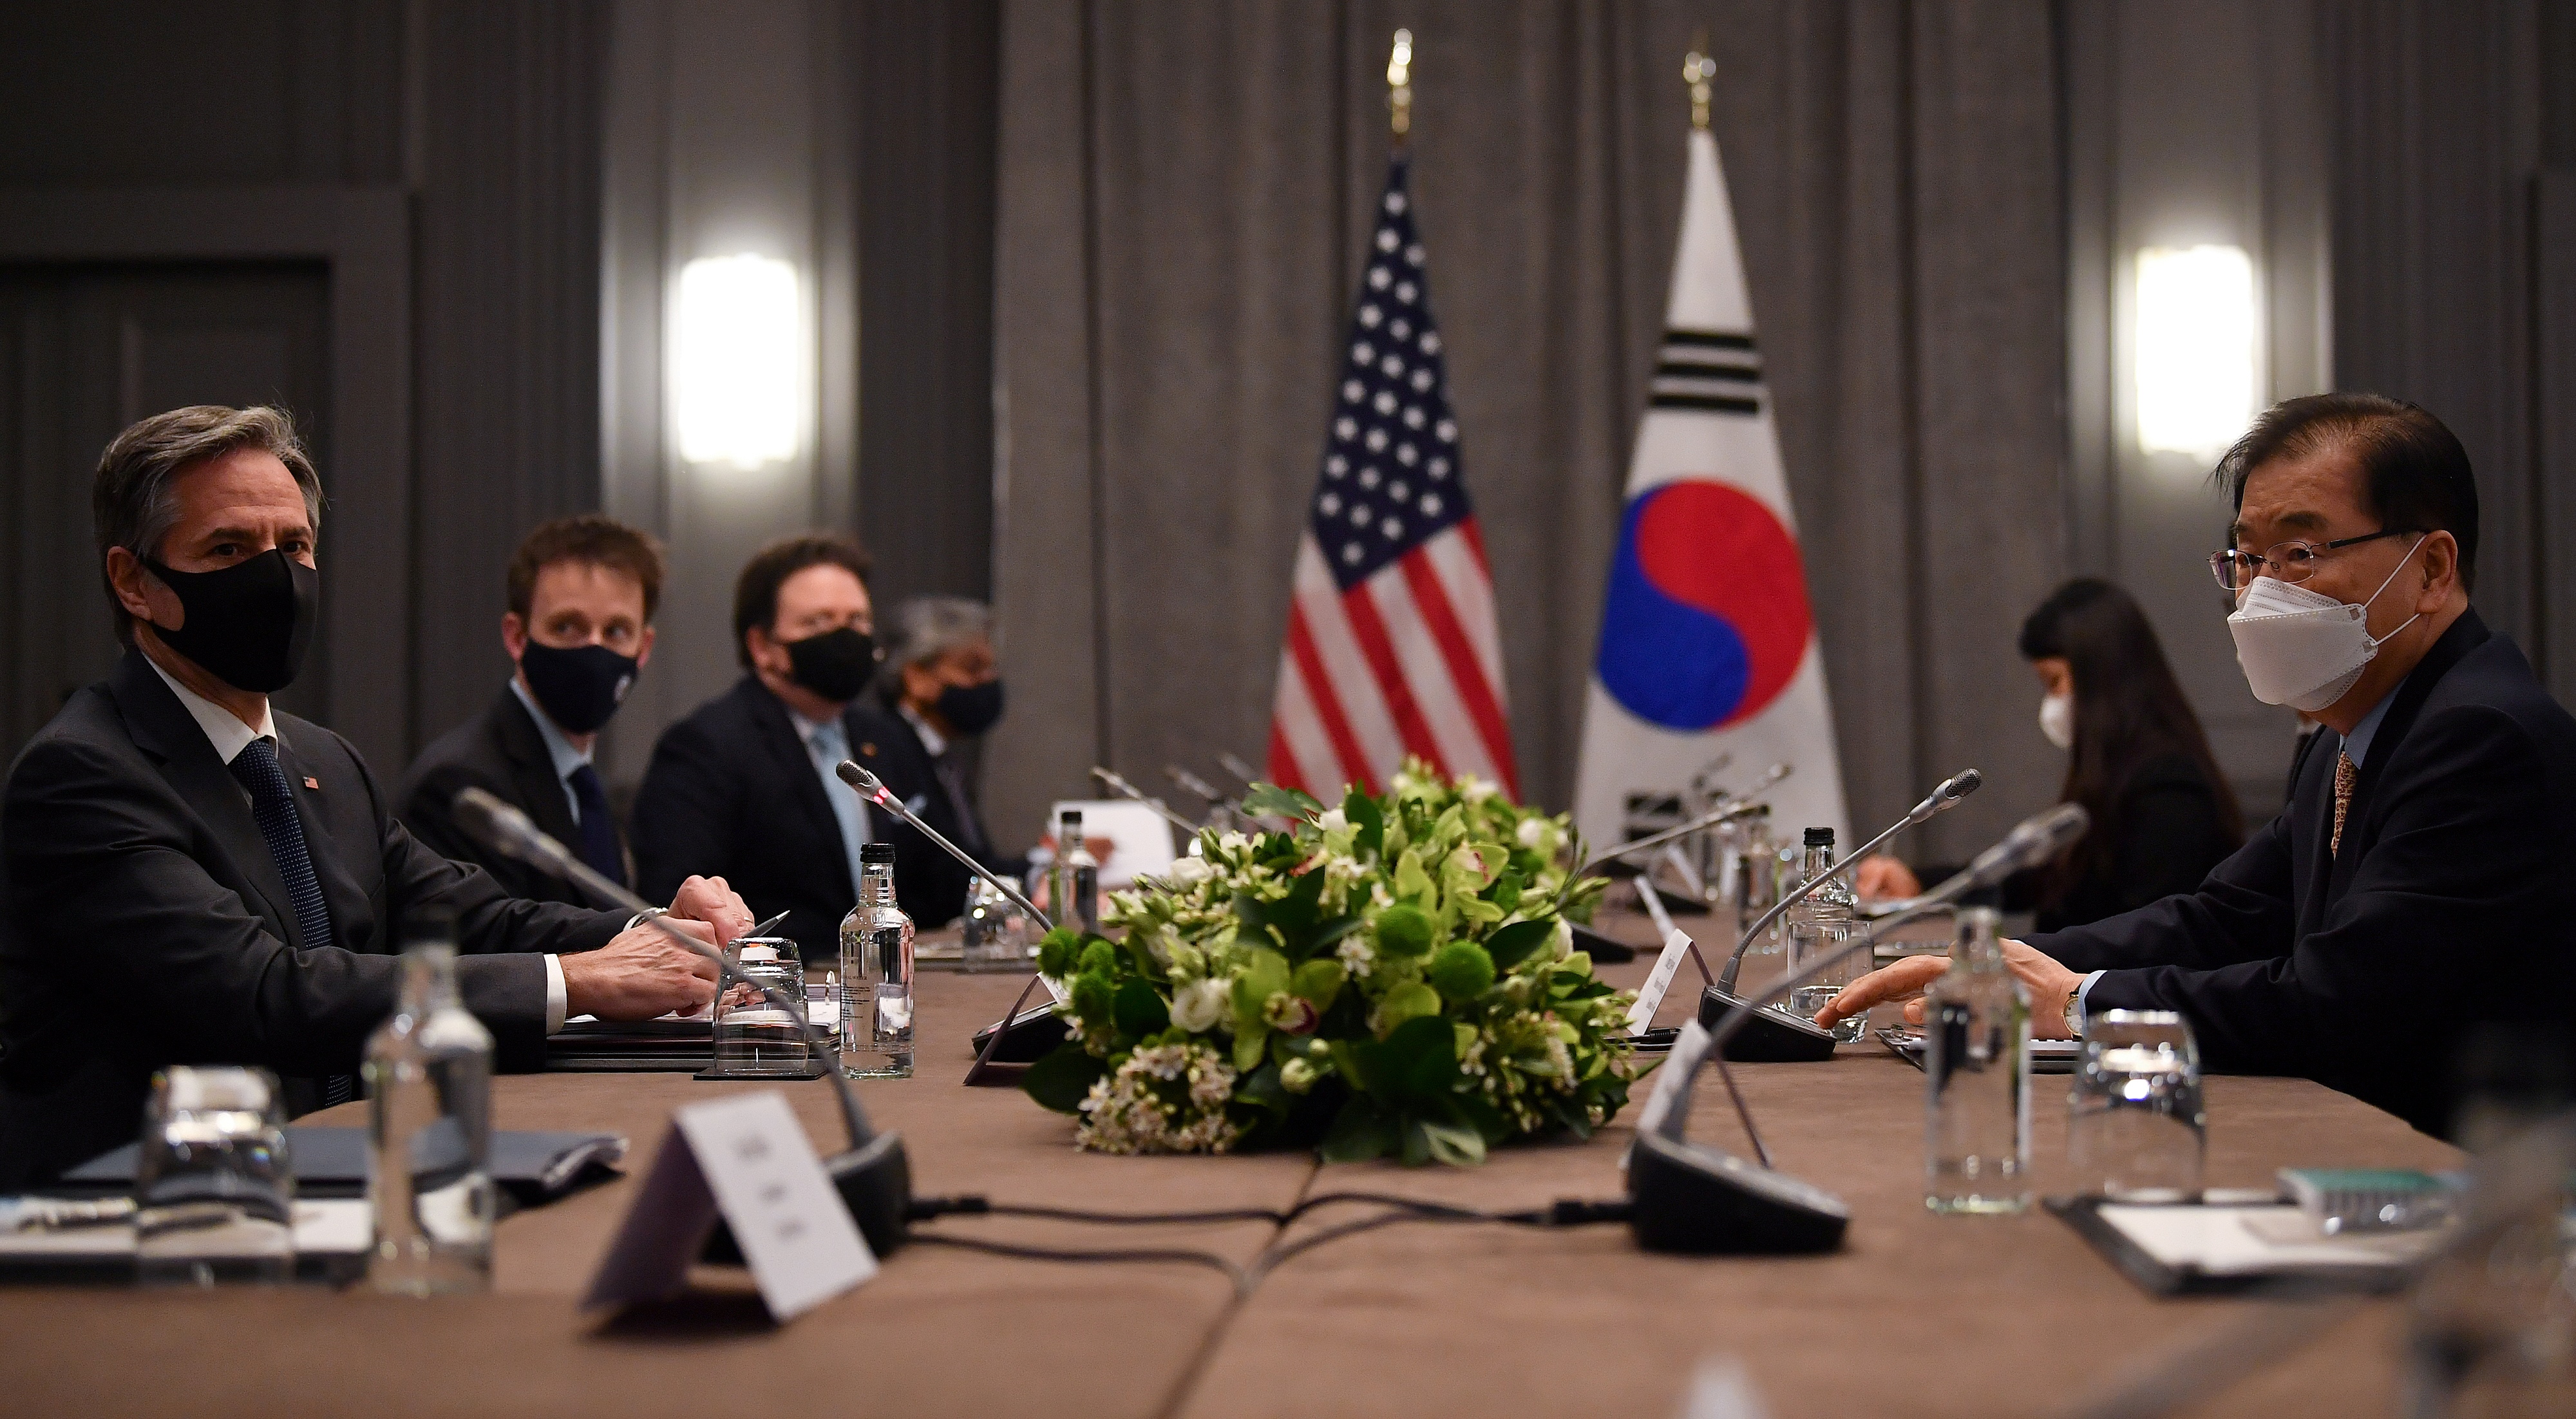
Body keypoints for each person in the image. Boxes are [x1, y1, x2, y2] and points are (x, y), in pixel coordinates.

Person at [0, 406, 749, 1187]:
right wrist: (580, 978)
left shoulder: (321, 759)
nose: (275, 577)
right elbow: (261, 992)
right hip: (139, 1218)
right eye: (228, 548)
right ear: (134, 582)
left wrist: (661, 929)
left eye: (293, 546)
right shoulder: (83, 774)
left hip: (334, 1178)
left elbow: (474, 918)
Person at [1818, 394, 2576, 1138]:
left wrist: (2083, 1001)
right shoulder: (2346, 737)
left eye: (2302, 553)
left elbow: (2346, 1000)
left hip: (2478, 1205)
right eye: (2248, 557)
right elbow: (2220, 920)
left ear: (2431, 569)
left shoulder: (2479, 736)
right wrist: (1995, 961)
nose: (2261, 590)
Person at [1854, 579, 2244, 931]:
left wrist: (2025, 959)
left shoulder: (2168, 787)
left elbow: (2141, 935)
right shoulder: (2113, 774)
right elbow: (2042, 880)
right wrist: (1920, 882)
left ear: (2102, 677)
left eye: (2054, 681)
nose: (2050, 702)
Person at [630, 533, 924, 963]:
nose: (846, 637)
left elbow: (941, 877)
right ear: (763, 647)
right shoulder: (705, 747)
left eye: (858, 620)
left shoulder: (887, 737)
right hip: (776, 1001)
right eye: (819, 623)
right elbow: (679, 907)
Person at [397, 515, 664, 906]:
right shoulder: (460, 786)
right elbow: (499, 948)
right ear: (517, 637)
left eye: (616, 632)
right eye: (568, 627)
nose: (594, 649)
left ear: (644, 649)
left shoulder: (585, 786)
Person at [870, 596, 1025, 927]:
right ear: (917, 677)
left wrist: (1043, 863)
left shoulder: (942, 755)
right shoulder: (886, 750)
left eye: (991, 668)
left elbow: (975, 862)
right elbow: (933, 878)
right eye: (973, 669)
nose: (988, 681)